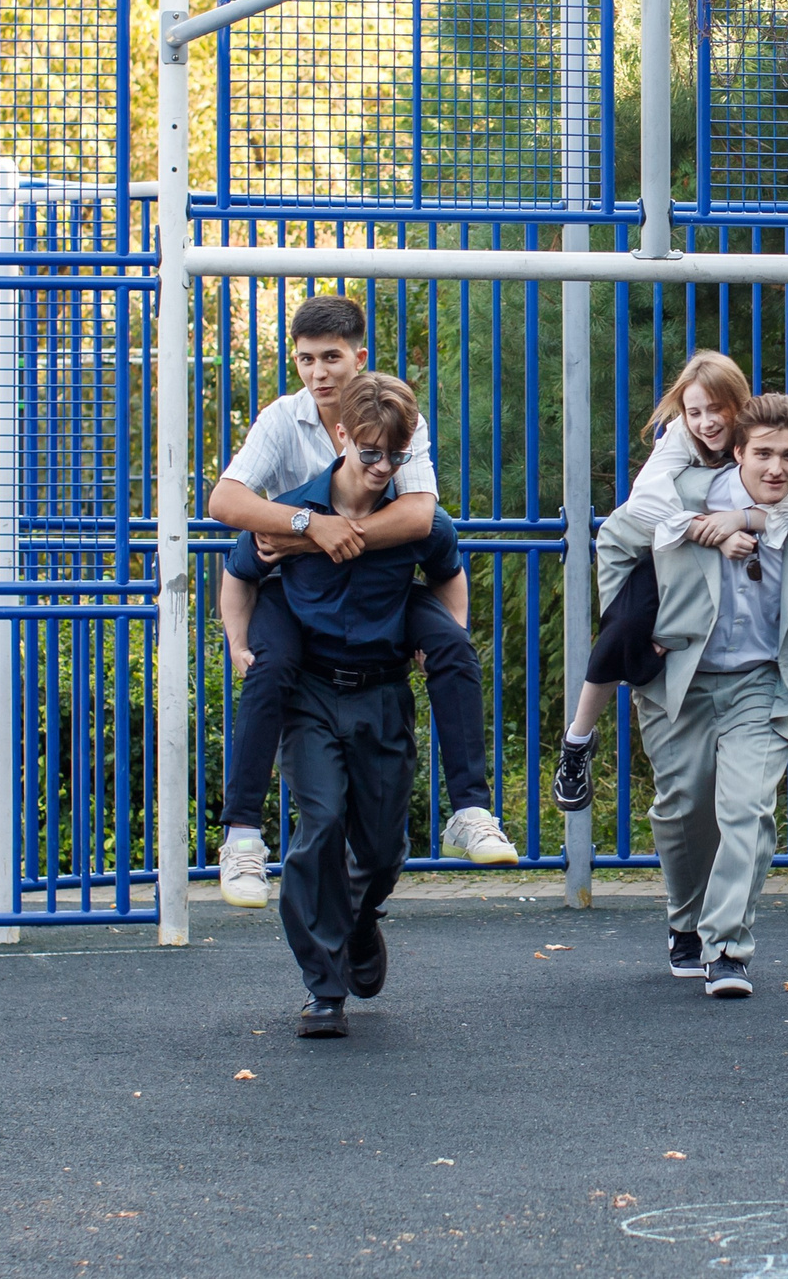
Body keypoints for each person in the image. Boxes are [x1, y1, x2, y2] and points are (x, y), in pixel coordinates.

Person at [207, 294, 513, 908]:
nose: (318, 373)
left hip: (383, 577)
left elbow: (421, 517)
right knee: (270, 668)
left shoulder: (394, 414)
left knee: (454, 645)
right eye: (306, 360)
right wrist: (306, 525)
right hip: (299, 587)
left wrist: (322, 537)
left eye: (331, 358)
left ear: (358, 357)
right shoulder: (282, 420)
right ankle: (241, 837)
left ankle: (471, 811)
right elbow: (225, 503)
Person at [219, 373, 468, 1038]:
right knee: (321, 824)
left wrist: (446, 635)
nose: (383, 468)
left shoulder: (414, 518)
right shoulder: (290, 513)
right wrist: (240, 644)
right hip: (312, 695)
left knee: (382, 850)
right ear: (341, 439)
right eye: (370, 454)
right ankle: (322, 988)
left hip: (381, 693)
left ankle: (360, 920)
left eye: (395, 456)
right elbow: (239, 575)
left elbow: (449, 572)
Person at [590, 393, 788, 996]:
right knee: (683, 809)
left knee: (747, 810)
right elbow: (614, 539)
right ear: (737, 452)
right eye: (763, 453)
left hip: (764, 685)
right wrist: (631, 631)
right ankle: (686, 923)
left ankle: (727, 949)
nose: (776, 468)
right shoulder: (684, 499)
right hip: (679, 679)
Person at [552, 352, 788, 845]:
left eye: (716, 409)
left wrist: (745, 519)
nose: (706, 421)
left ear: (740, 406)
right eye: (694, 411)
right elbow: (640, 510)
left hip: (750, 568)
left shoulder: (775, 442)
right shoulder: (678, 441)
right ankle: (578, 740)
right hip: (675, 553)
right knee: (623, 626)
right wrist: (704, 531)